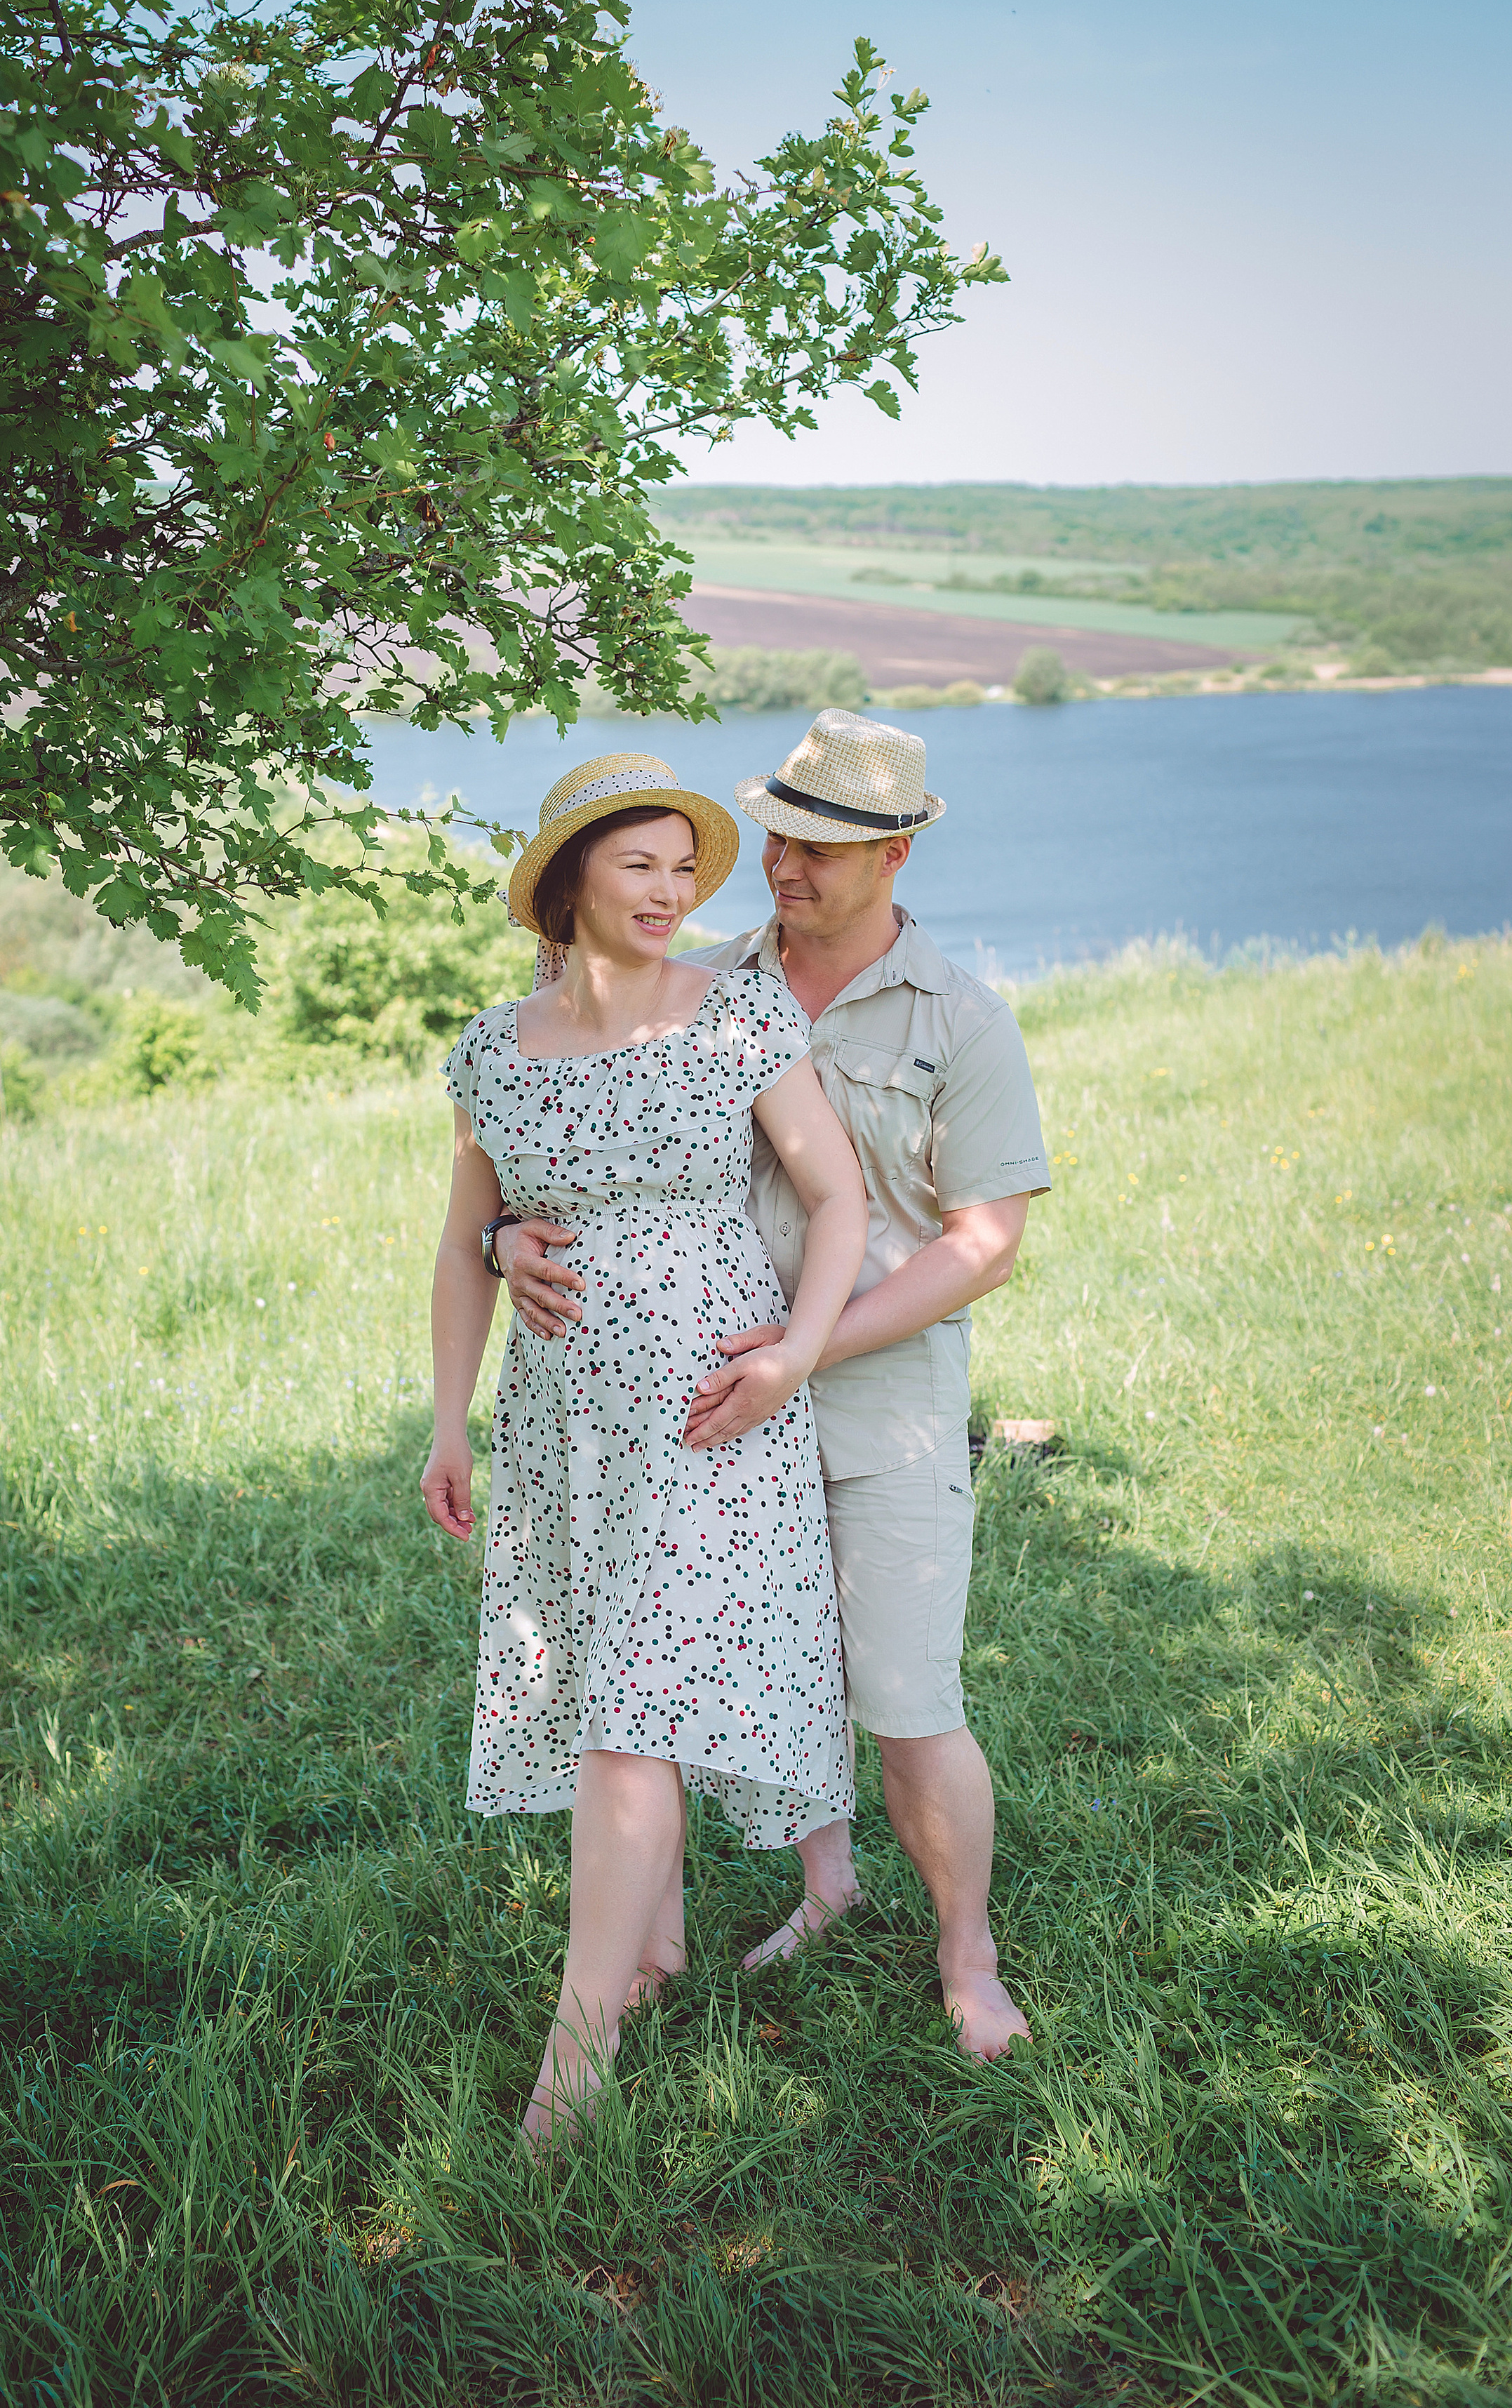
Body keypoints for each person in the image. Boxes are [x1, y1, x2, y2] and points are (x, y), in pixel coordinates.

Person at [495, 710, 1052, 2061]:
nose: (781, 867)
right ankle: (821, 1887)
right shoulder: (702, 979)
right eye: (777, 839)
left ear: (896, 856)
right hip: (695, 1404)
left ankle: (967, 1958)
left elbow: (986, 1242)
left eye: (818, 850)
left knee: (906, 1699)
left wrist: (808, 1348)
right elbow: (573, 1137)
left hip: (874, 1399)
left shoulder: (961, 1021)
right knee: (725, 1670)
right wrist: (509, 1237)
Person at [420, 752, 869, 2147]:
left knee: (632, 1712)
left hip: (710, 1414)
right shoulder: (493, 1050)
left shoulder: (734, 1017)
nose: (671, 892)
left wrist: (794, 1353)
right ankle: (654, 1944)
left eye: (685, 869)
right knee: (602, 1673)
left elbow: (837, 1197)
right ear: (570, 881)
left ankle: (577, 2050)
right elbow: (464, 1240)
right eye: (640, 866)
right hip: (563, 1423)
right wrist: (450, 1418)